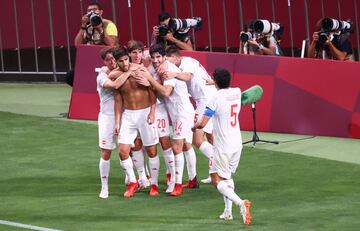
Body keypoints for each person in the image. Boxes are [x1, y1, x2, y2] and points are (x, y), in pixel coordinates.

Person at [192, 68, 251, 225]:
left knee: (216, 180)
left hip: (222, 146)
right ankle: (227, 212)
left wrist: (194, 125)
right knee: (227, 177)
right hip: (237, 143)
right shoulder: (237, 92)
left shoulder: (214, 98)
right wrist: (216, 83)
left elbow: (203, 124)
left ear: (215, 81)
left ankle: (241, 203)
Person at [136, 44, 195, 196]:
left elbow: (166, 92)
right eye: (153, 57)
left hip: (182, 112)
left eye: (158, 57)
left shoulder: (169, 71)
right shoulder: (156, 67)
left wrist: (150, 80)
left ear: (163, 57)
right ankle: (184, 179)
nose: (155, 60)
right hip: (173, 113)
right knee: (183, 146)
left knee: (176, 147)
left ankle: (178, 184)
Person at [165, 45, 218, 188]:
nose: (167, 63)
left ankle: (219, 163)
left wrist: (173, 74)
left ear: (176, 58)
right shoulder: (188, 60)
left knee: (198, 140)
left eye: (168, 59)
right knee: (209, 137)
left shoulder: (185, 64)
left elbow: (189, 76)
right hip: (208, 96)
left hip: (205, 101)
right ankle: (215, 171)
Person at [112, 47, 160, 198]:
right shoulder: (115, 76)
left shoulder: (141, 69)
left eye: (126, 59)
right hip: (128, 116)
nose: (125, 63)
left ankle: (154, 184)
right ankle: (133, 182)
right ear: (116, 61)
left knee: (152, 150)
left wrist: (152, 112)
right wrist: (117, 122)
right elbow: (118, 100)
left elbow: (152, 90)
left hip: (145, 113)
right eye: (121, 61)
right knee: (123, 150)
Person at [96, 47, 133, 199]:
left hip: (124, 115)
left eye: (113, 59)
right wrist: (129, 72)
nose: (111, 62)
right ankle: (104, 187)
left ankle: (130, 178)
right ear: (103, 61)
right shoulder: (101, 76)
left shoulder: (122, 69)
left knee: (127, 149)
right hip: (107, 117)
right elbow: (115, 85)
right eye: (107, 60)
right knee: (106, 152)